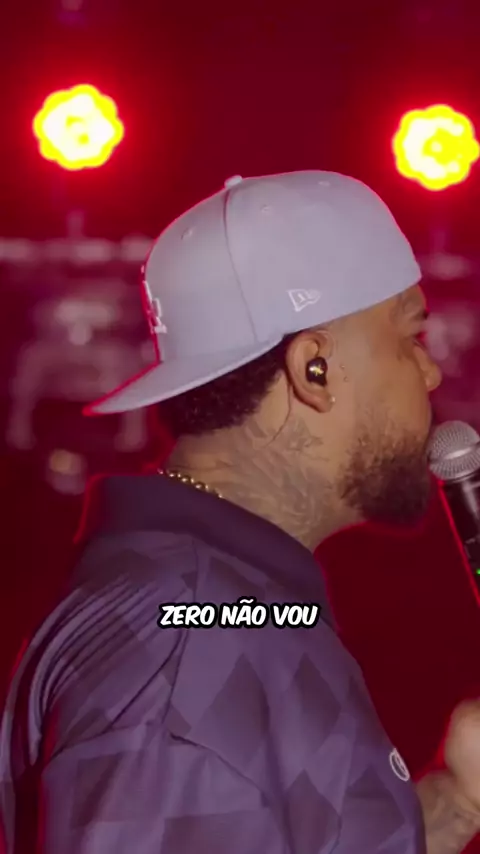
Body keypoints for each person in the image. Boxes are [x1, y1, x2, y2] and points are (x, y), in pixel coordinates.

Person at [1, 170, 480, 854]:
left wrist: (459, 799)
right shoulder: (190, 646)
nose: (430, 374)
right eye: (411, 339)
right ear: (314, 370)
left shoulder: (221, 610)